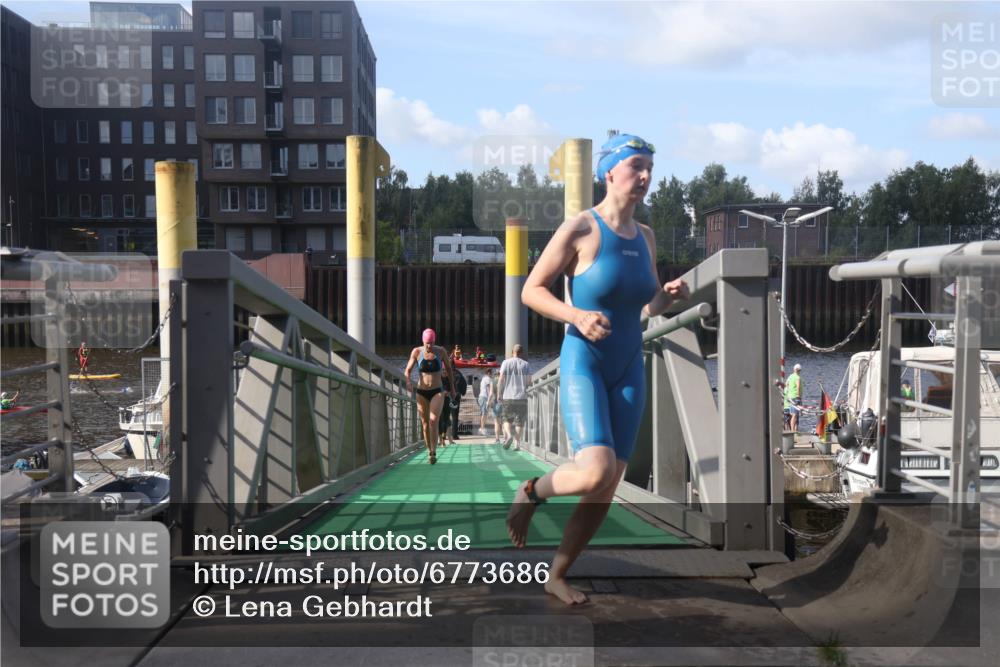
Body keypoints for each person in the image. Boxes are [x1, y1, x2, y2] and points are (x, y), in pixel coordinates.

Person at [506, 133, 689, 605]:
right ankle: (531, 491)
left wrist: (667, 297)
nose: (645, 176)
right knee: (594, 471)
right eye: (636, 166)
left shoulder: (645, 236)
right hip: (584, 359)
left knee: (606, 485)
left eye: (650, 168)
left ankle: (557, 574)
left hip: (628, 365)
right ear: (610, 172)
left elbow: (645, 307)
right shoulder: (581, 228)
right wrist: (576, 315)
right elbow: (531, 290)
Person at [404, 328, 456, 465]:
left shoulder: (441, 351)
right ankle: (428, 450)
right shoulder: (416, 352)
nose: (429, 346)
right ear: (423, 341)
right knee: (425, 423)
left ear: (434, 341)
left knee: (433, 420)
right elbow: (407, 370)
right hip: (421, 392)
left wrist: (452, 388)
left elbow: (449, 370)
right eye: (427, 343)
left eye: (431, 343)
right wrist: (408, 381)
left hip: (437, 391)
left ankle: (433, 451)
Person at [497, 344, 531, 450]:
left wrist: (499, 393)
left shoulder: (505, 363)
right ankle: (517, 444)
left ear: (512, 352)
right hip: (521, 396)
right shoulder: (526, 364)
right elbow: (529, 381)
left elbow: (501, 379)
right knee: (519, 421)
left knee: (506, 419)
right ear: (521, 353)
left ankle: (508, 435)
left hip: (508, 395)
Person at [785, 363, 803, 432]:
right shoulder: (797, 378)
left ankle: (793, 430)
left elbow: (786, 384)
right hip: (795, 397)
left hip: (791, 397)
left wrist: (789, 391)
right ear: (799, 370)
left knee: (792, 414)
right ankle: (793, 431)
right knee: (795, 415)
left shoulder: (790, 376)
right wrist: (798, 396)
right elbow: (798, 387)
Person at [478, 369, 495, 435]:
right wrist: (489, 400)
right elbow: (489, 389)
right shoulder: (488, 379)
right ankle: (482, 429)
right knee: (484, 413)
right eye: (491, 373)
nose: (492, 374)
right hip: (484, 397)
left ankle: (481, 428)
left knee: (483, 413)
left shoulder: (483, 378)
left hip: (481, 397)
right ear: (488, 373)